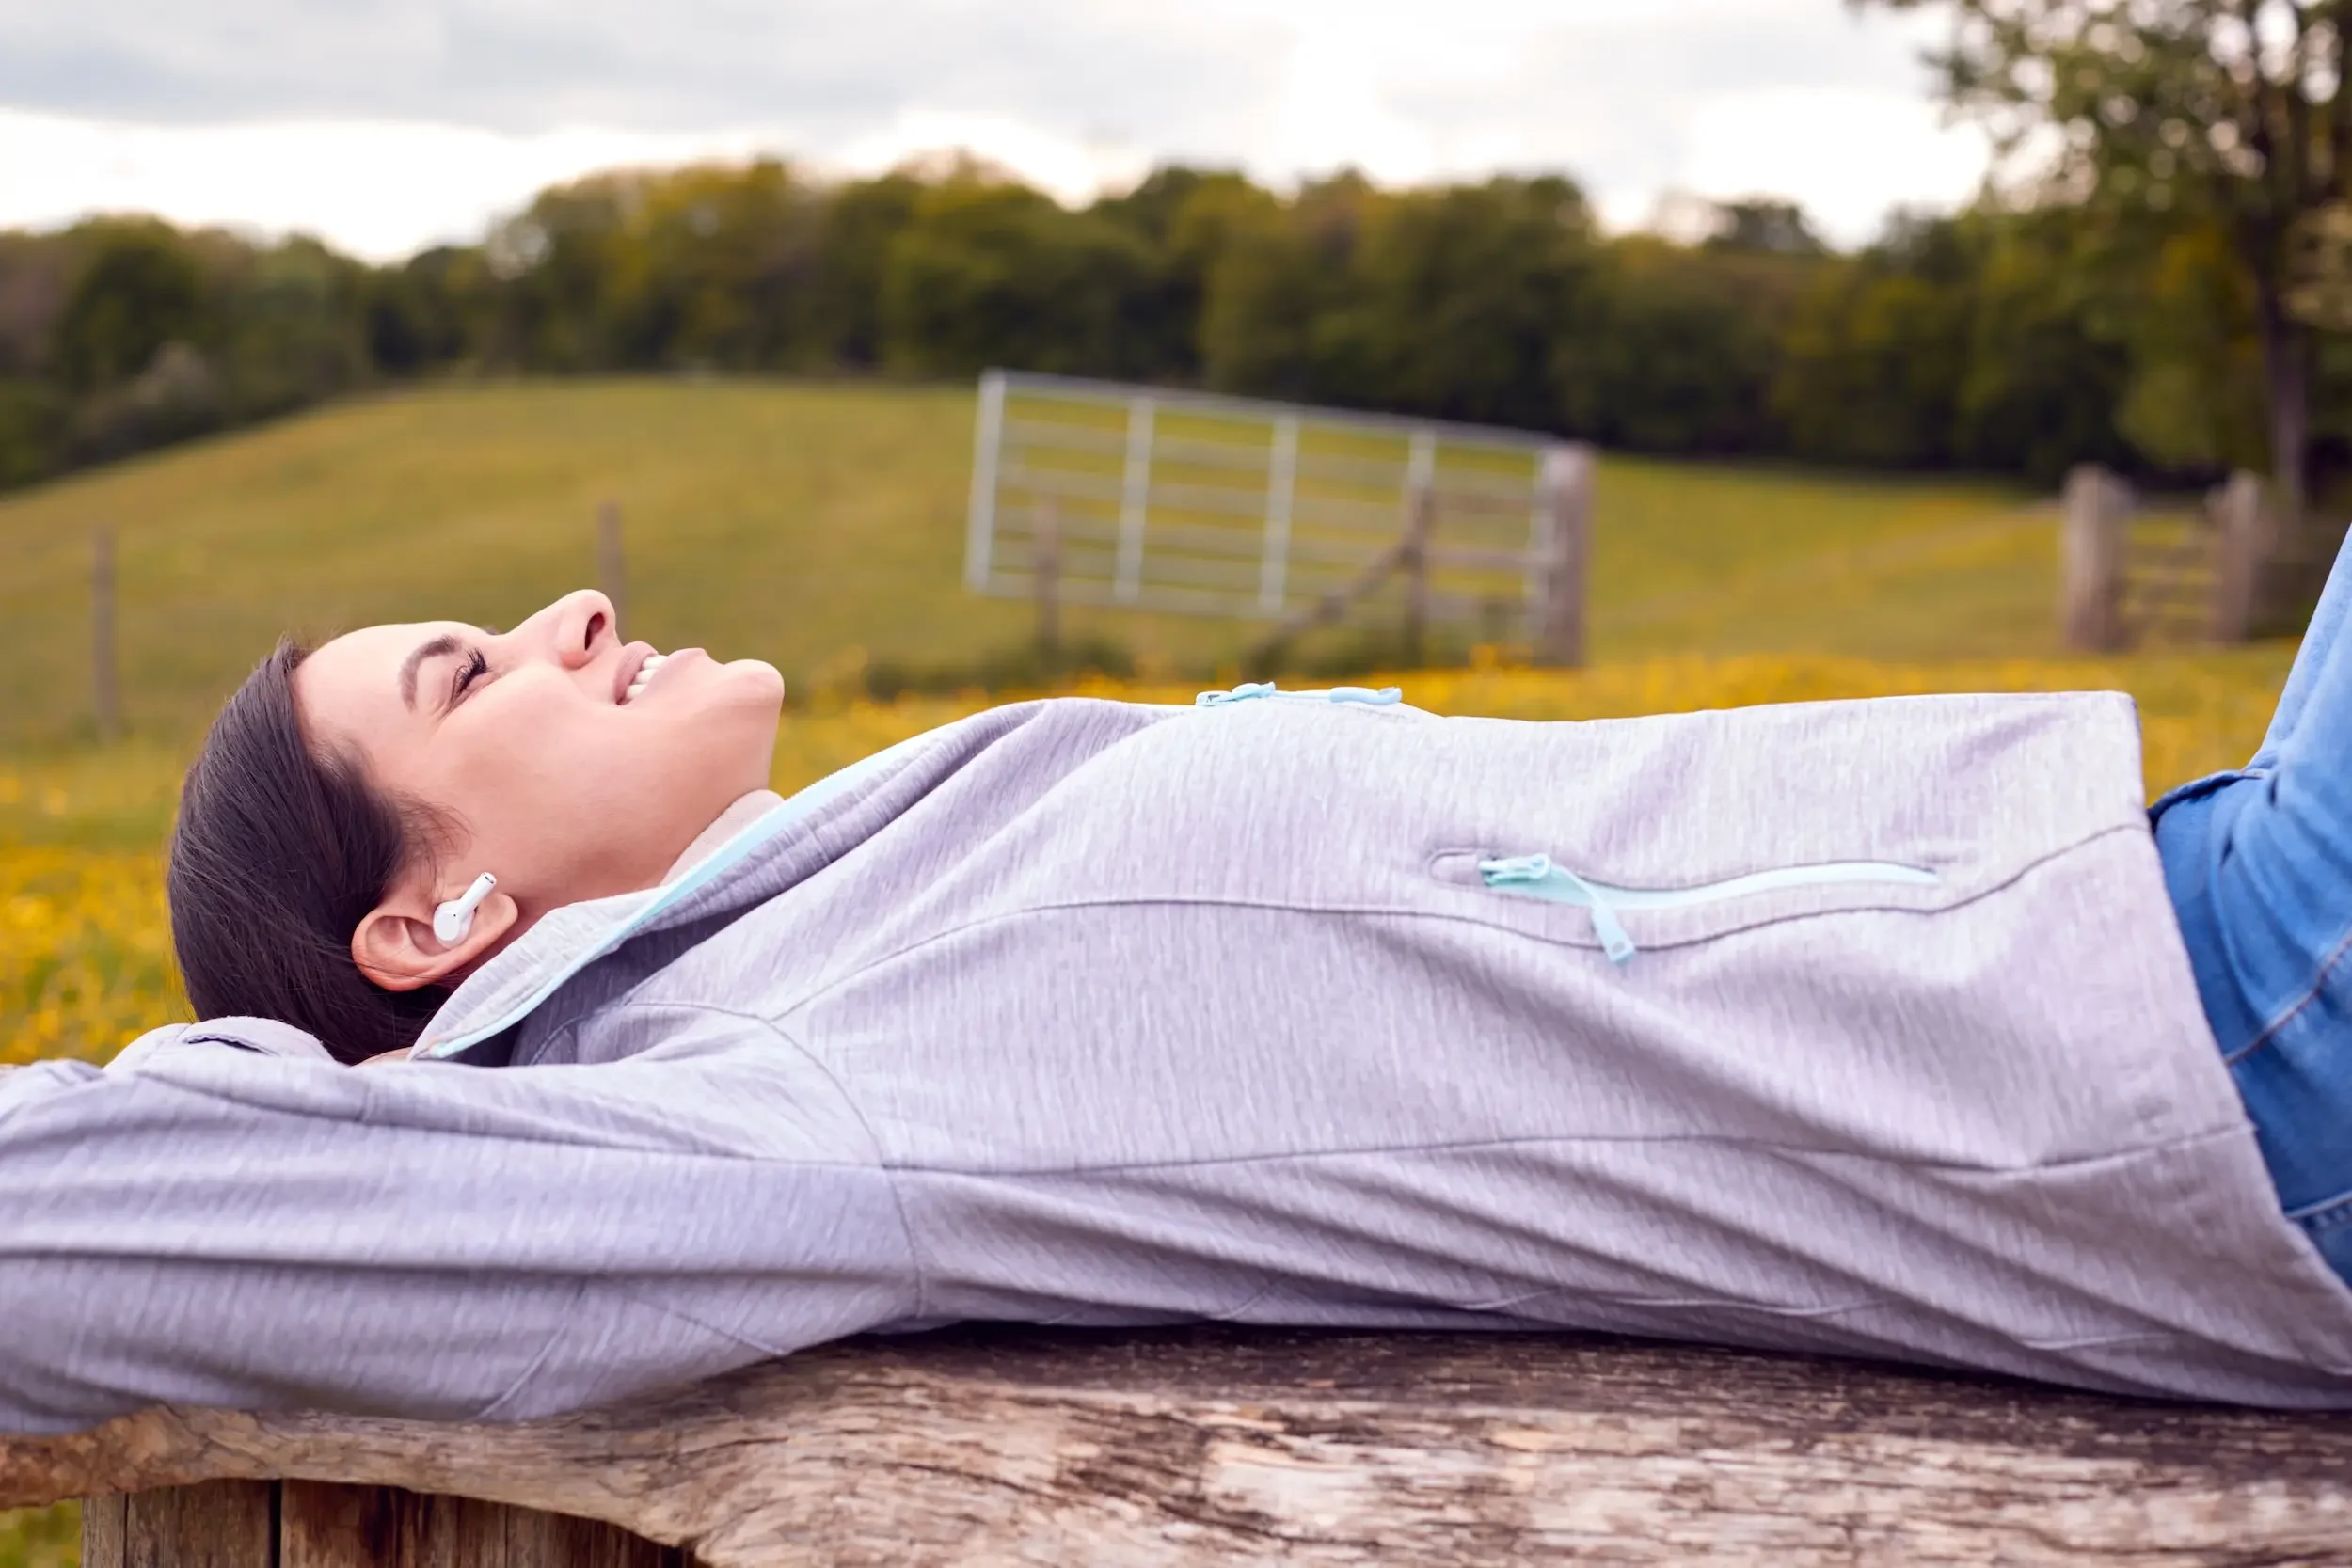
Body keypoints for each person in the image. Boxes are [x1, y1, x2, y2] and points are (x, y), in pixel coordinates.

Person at [8, 550, 2352, 1438]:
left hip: (2176, 927)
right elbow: (81, 1216)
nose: (571, 617)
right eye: (471, 670)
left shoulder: (821, 909)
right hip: (2203, 1054)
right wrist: (298, 1075)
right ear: (431, 928)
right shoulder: (747, 1104)